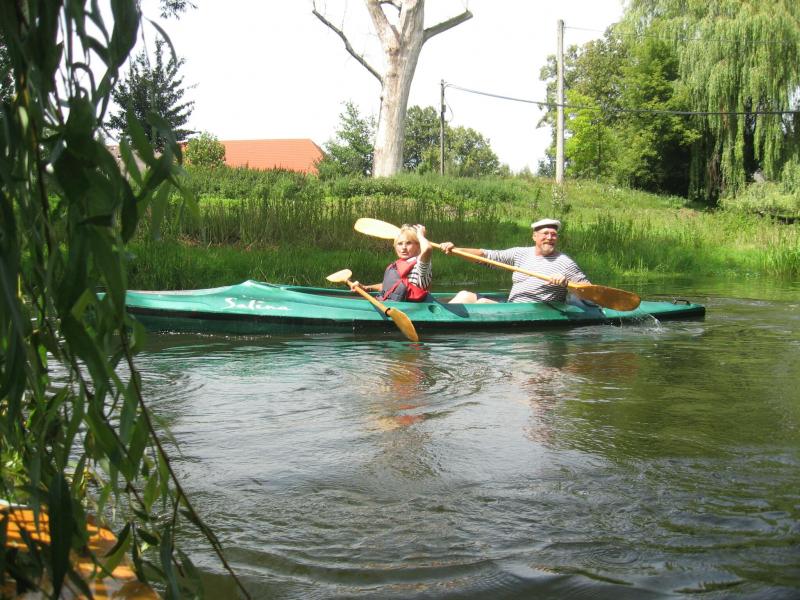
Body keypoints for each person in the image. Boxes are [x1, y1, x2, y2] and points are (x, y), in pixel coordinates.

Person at [439, 218, 589, 304]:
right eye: (545, 234)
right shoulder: (520, 253)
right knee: (464, 295)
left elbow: (589, 293)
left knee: (483, 303)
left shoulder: (565, 263)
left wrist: (567, 284)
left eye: (554, 234)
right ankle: (438, 323)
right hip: (511, 307)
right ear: (534, 236)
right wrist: (455, 249)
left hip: (537, 312)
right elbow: (485, 255)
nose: (550, 238)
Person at [350, 224, 433, 301]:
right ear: (395, 247)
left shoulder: (420, 265)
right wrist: (365, 288)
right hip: (387, 303)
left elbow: (427, 248)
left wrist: (420, 236)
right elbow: (390, 287)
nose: (403, 247)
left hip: (408, 309)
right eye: (400, 244)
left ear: (418, 246)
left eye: (408, 243)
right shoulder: (398, 264)